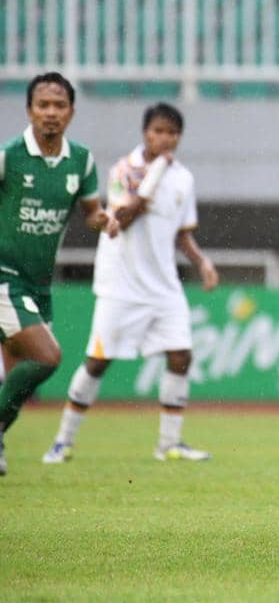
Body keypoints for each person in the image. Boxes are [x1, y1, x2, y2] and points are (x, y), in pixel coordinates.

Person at [42, 103, 219, 466]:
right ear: (145, 133)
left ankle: (169, 444)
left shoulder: (183, 177)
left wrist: (202, 263)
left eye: (171, 133)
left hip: (163, 285)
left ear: (179, 137)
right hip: (121, 283)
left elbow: (181, 235)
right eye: (158, 131)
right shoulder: (125, 170)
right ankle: (62, 441)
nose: (165, 138)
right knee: (98, 361)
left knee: (181, 356)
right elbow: (119, 220)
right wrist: (148, 185)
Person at [0, 73, 108, 476]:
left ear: (71, 112)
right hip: (4, 276)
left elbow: (91, 211)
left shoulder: (81, 160)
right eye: (43, 105)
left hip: (39, 283)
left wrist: (104, 221)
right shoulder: (9, 156)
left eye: (58, 105)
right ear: (29, 110)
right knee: (48, 357)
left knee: (17, 382)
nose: (51, 112)